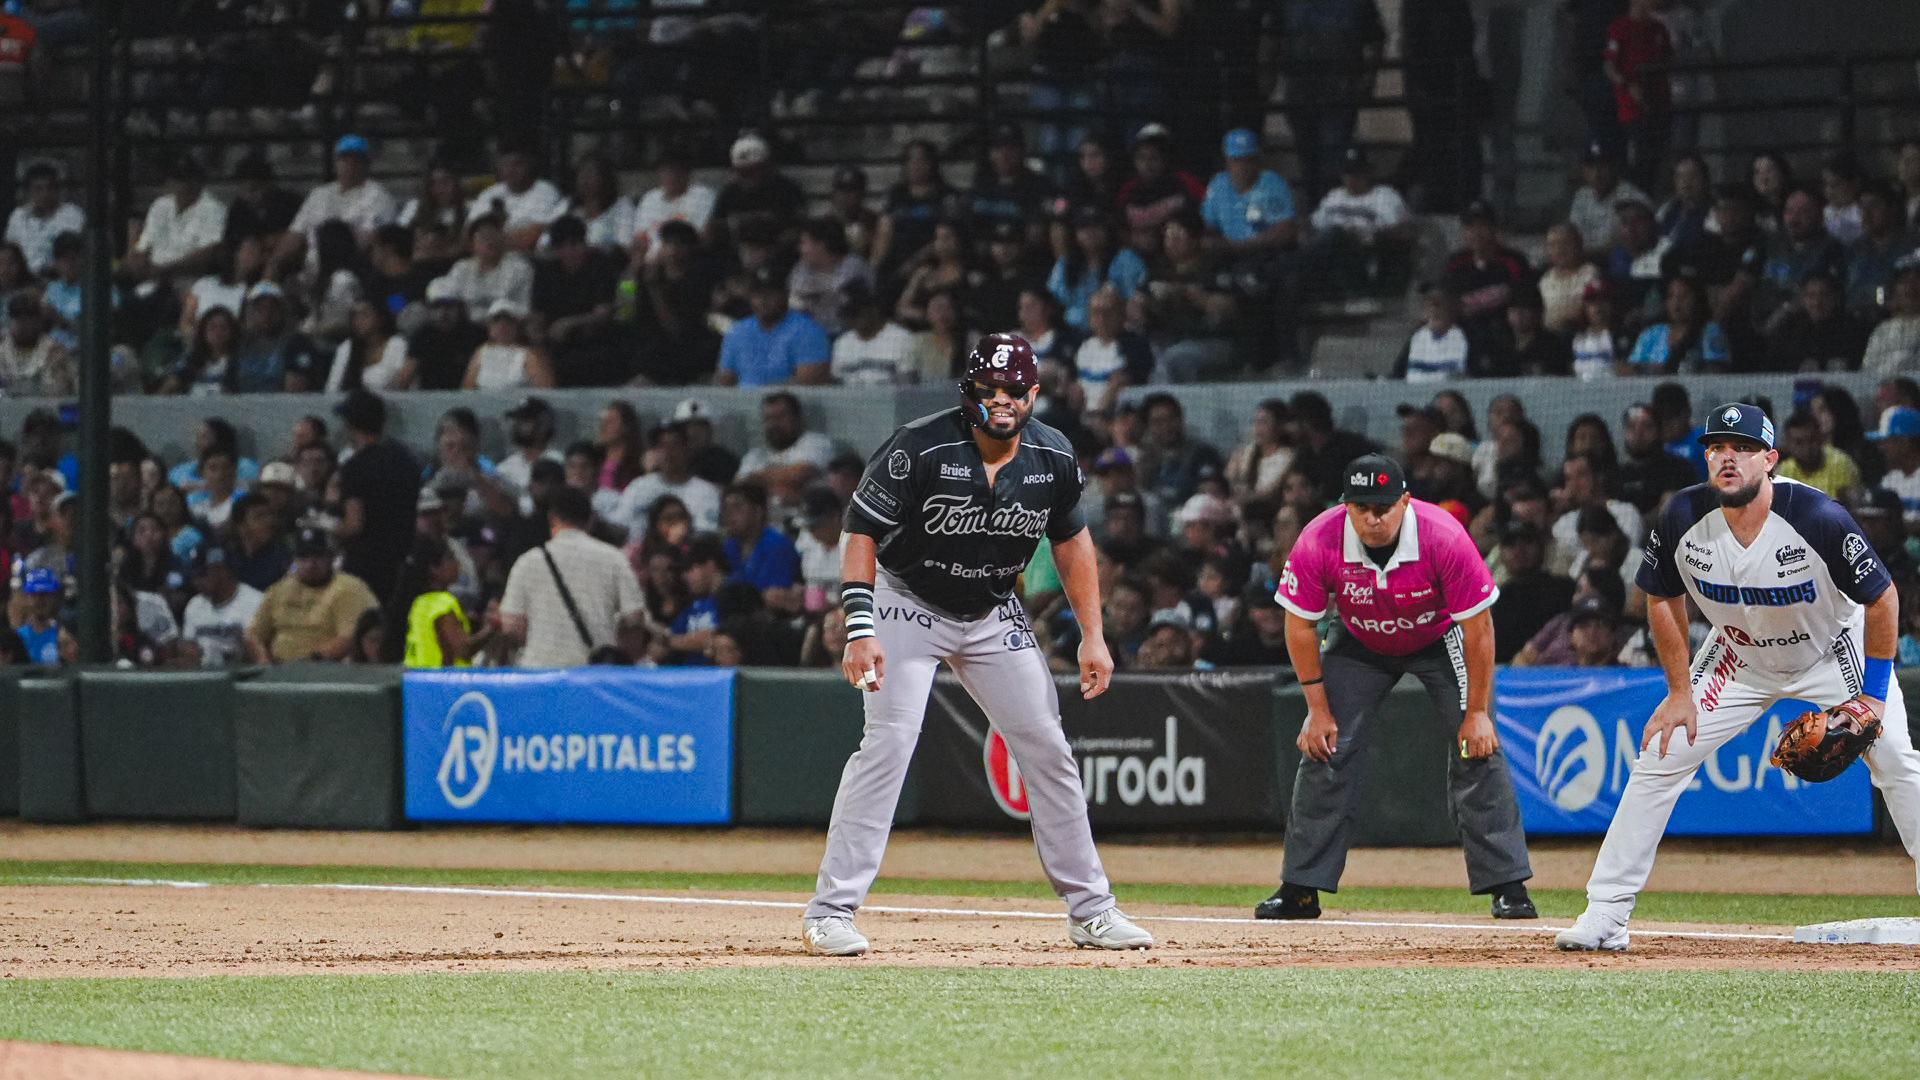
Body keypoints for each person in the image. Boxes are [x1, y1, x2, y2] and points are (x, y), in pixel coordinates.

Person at [803, 333, 1154, 957]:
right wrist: (859, 627)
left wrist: (1094, 635)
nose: (1002, 399)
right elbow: (860, 532)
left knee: (1047, 745)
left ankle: (1092, 911)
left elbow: (1073, 543)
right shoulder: (921, 446)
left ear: (1034, 394)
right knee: (888, 742)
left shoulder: (1052, 456)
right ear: (968, 393)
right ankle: (831, 912)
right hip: (905, 601)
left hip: (992, 611)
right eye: (989, 389)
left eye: (1014, 389)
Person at [1558, 403, 1920, 950]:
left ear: (1769, 460)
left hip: (1829, 652)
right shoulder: (1681, 516)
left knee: (1896, 761)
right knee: (1659, 756)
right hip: (1740, 658)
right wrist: (1680, 692)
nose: (1728, 458)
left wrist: (1870, 697)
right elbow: (1660, 598)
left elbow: (1883, 597)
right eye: (1717, 448)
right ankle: (1606, 914)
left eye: (1743, 449)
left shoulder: (1817, 517)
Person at [1264, 452, 1533, 921]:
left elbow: (1479, 629)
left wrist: (1478, 712)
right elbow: (1299, 625)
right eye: (1362, 507)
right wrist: (1317, 709)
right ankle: (1300, 888)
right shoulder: (1318, 539)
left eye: (1384, 506)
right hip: (1358, 638)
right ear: (1345, 505)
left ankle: (1508, 887)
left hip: (1438, 634)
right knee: (1325, 746)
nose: (1374, 517)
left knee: (1477, 748)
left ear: (1405, 501)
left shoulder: (1444, 535)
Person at [496, 485, 648, 667]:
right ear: (591, 519)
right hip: (594, 673)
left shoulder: (528, 562)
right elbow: (634, 617)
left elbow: (512, 627)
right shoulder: (614, 558)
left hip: (540, 670)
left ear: (552, 519)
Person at [333, 388, 422, 605]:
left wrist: (330, 528)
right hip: (402, 562)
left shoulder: (355, 467)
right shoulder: (406, 460)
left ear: (351, 425)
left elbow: (354, 525)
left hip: (365, 566)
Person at [245, 527, 379, 664]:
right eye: (303, 557)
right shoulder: (279, 589)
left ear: (331, 558)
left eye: (317, 556)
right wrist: (263, 661)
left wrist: (307, 663)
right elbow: (254, 634)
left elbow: (349, 639)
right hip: (278, 671)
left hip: (328, 671)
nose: (310, 564)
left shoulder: (349, 588)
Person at [718, 270, 831, 387]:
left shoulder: (808, 330)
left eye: (770, 295)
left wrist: (762, 395)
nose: (762, 301)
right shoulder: (738, 331)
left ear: (785, 295)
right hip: (740, 402)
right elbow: (725, 379)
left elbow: (808, 382)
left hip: (787, 402)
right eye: (757, 295)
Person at [392, 536, 492, 668]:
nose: (458, 564)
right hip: (440, 683)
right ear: (434, 569)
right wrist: (491, 628)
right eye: (450, 559)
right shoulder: (442, 603)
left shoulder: (419, 602)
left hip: (417, 680)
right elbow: (462, 650)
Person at [614, 421, 722, 537]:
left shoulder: (706, 492)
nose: (668, 452)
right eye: (661, 446)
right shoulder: (639, 487)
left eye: (675, 444)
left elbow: (705, 535)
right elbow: (620, 526)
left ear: (687, 450)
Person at [177, 542, 263, 668]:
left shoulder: (255, 602)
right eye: (194, 576)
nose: (196, 581)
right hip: (205, 678)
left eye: (202, 575)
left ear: (222, 571)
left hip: (243, 677)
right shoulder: (195, 605)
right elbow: (189, 647)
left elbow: (259, 654)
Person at [471, 146, 568, 251]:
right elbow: (469, 235)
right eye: (506, 165)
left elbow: (531, 239)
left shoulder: (547, 192)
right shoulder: (489, 193)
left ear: (530, 165)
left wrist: (491, 240)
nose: (511, 170)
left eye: (517, 164)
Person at [5, 161, 84, 274]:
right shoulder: (18, 216)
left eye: (50, 188)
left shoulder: (72, 214)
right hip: (23, 280)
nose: (45, 194)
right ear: (29, 191)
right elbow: (10, 252)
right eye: (39, 189)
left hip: (58, 277)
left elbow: (75, 254)